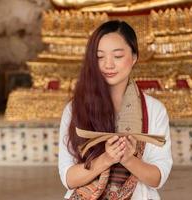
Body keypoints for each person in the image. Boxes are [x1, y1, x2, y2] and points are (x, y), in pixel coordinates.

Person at [58, 20, 172, 200]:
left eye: (117, 56)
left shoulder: (154, 109)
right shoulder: (75, 109)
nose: (108, 65)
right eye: (99, 57)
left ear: (134, 57)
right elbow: (68, 178)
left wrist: (128, 158)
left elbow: (158, 177)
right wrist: (106, 159)